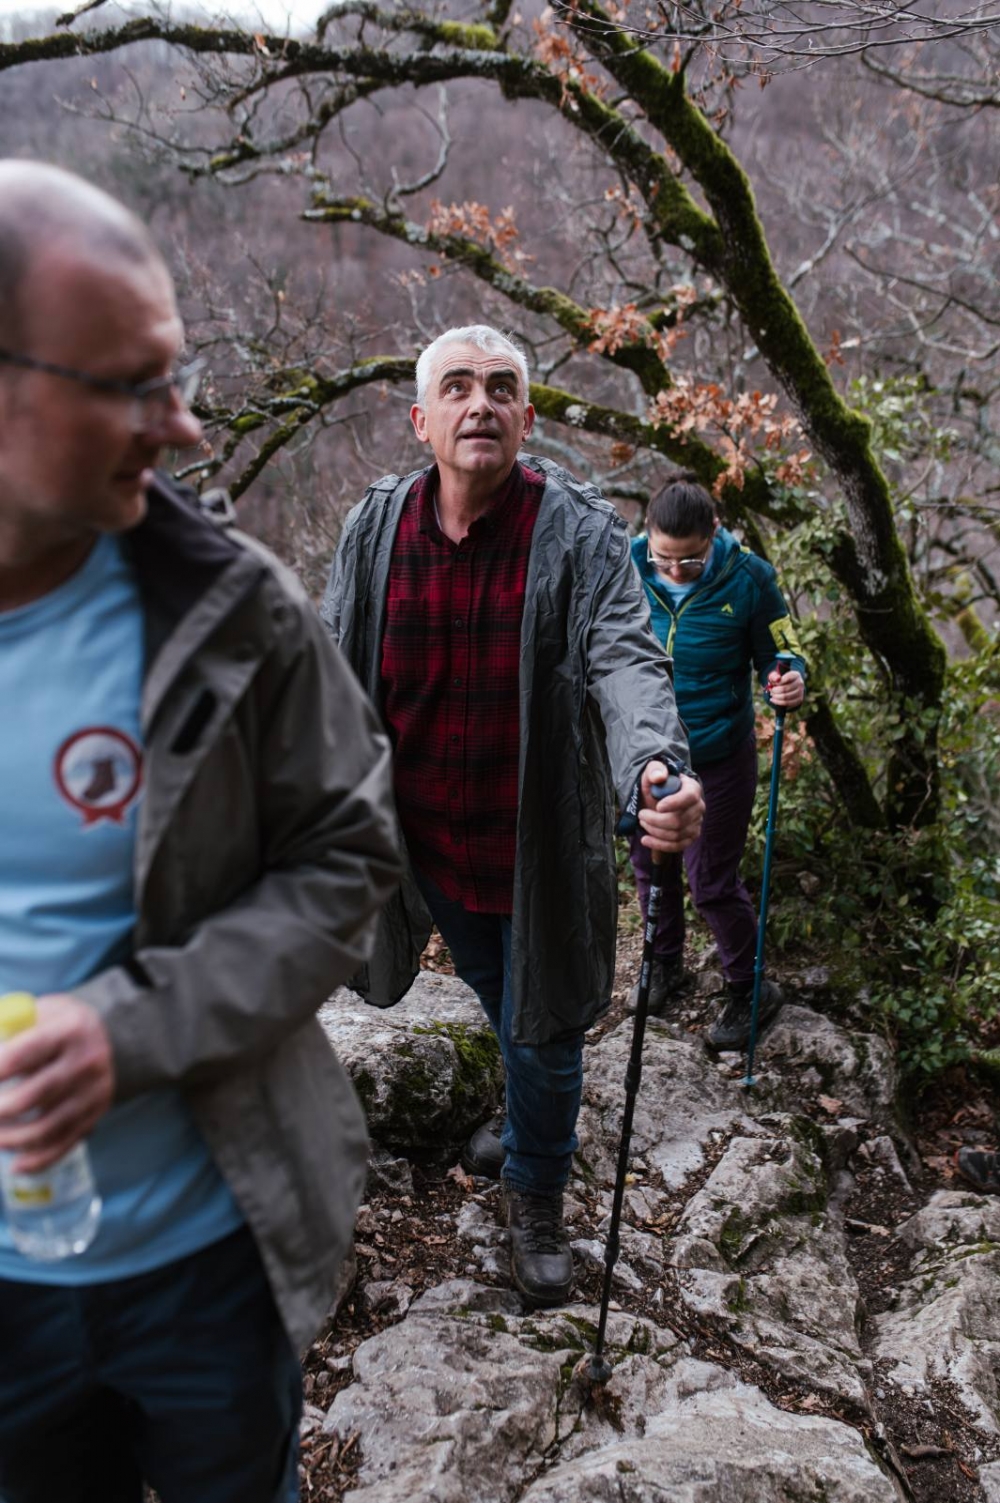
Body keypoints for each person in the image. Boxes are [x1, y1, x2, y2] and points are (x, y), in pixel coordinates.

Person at [0, 161, 400, 1503]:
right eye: (130, 383)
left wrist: (131, 1028)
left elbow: (347, 857)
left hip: (204, 1260)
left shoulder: (231, 611)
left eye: (179, 373)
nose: (180, 425)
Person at [322, 323, 704, 1309]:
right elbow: (323, 666)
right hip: (426, 852)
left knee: (545, 1027)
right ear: (422, 419)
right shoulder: (374, 531)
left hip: (534, 848)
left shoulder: (572, 532)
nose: (479, 403)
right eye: (456, 387)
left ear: (526, 419)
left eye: (500, 388)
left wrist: (653, 768)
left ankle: (537, 1185)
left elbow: (625, 657)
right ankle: (533, 1117)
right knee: (510, 1007)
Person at [627, 472, 806, 1050]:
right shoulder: (624, 568)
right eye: (665, 560)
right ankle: (664, 963)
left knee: (710, 881)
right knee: (651, 865)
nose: (675, 572)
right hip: (646, 754)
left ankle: (751, 988)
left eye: (692, 562)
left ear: (715, 535)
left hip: (720, 755)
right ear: (647, 538)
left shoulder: (750, 577)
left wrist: (788, 678)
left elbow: (782, 648)